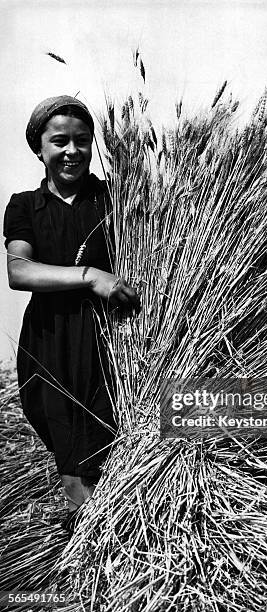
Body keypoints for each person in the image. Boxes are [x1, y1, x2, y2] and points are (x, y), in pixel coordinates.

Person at [3, 95, 138, 533]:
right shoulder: (24, 206)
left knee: (108, 441)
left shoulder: (115, 199)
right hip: (48, 342)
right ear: (39, 148)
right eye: (59, 141)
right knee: (66, 446)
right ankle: (90, 540)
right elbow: (19, 271)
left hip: (113, 340)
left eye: (83, 140)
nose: (72, 151)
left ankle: (113, 539)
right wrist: (90, 275)